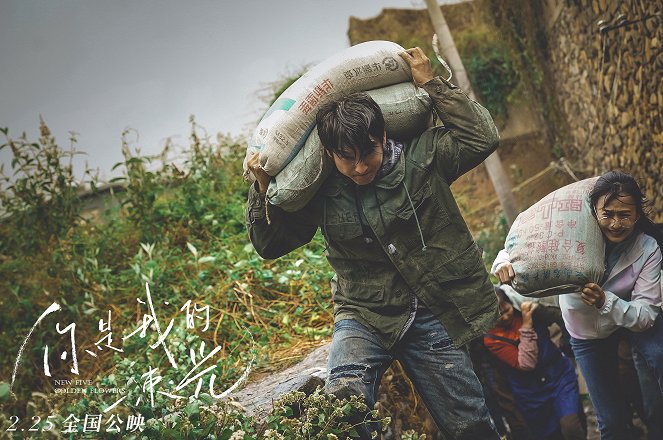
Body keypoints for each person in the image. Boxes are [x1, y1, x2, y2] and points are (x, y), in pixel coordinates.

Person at [246, 47, 501, 439]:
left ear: (382, 134)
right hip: (363, 315)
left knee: (471, 425)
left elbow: (482, 138)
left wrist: (431, 85)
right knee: (344, 410)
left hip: (432, 311)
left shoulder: (425, 158)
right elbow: (271, 244)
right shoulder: (320, 193)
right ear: (327, 154)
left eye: (368, 152)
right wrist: (261, 191)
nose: (361, 166)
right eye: (346, 158)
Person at [492, 170, 663, 440]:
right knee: (611, 421)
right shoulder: (572, 234)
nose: (616, 223)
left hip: (628, 321)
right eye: (608, 214)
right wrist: (502, 264)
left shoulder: (647, 249)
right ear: (593, 212)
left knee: (654, 365)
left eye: (625, 215)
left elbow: (647, 315)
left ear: (638, 215)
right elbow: (527, 243)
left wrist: (606, 302)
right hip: (586, 335)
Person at [484, 288, 585, 440]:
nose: (505, 317)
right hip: (530, 392)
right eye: (498, 315)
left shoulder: (526, 307)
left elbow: (560, 314)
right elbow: (526, 363)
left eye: (506, 309)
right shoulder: (492, 338)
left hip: (558, 375)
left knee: (571, 425)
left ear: (510, 302)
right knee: (550, 435)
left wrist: (568, 344)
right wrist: (526, 324)